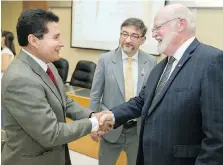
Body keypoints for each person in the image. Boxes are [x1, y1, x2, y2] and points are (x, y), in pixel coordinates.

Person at [99, 4, 223, 165]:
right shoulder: (161, 66)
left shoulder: (211, 61)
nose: (154, 34)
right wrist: (112, 115)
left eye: (158, 27)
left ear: (180, 24)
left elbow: (217, 136)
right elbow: (141, 101)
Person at [1, 8, 112, 165]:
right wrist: (94, 123)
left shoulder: (48, 65)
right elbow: (51, 133)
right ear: (33, 40)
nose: (62, 43)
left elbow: (64, 101)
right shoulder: (20, 79)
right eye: (56, 37)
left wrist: (91, 115)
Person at [89, 18, 156, 165]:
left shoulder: (150, 62)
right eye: (124, 34)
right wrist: (92, 125)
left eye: (134, 36)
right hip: (109, 129)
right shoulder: (105, 60)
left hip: (137, 131)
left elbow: (151, 97)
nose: (127, 40)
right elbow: (95, 95)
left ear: (143, 40)